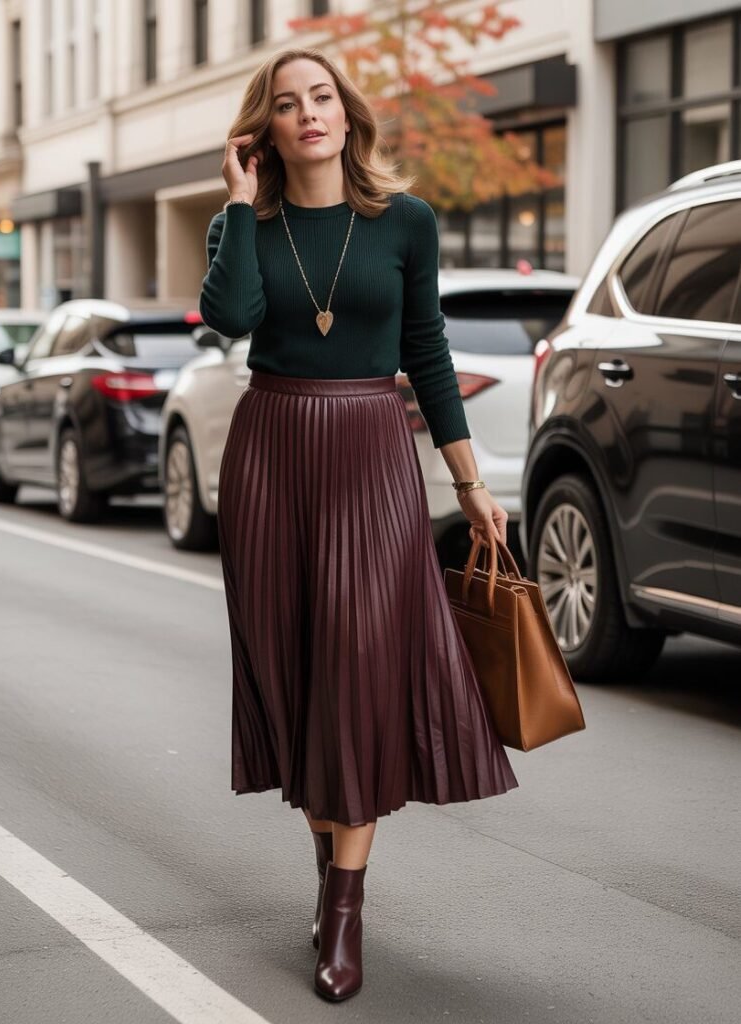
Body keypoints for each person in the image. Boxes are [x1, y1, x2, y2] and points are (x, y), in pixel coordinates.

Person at [199, 46, 518, 1003]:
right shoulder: (245, 224)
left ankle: (344, 911)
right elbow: (230, 319)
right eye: (287, 105)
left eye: (322, 97)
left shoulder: (404, 222)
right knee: (292, 673)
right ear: (265, 129)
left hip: (372, 451)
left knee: (356, 669)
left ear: (347, 112)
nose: (309, 115)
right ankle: (328, 868)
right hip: (271, 451)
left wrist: (467, 482)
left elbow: (426, 347)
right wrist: (236, 202)